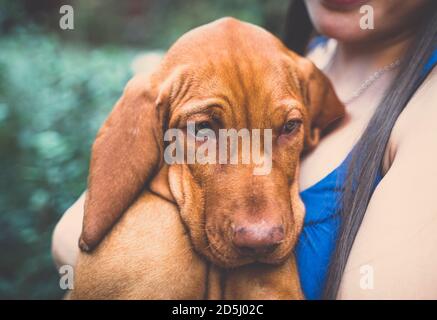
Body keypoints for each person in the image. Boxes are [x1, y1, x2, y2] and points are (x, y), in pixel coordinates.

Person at [52, 0, 437, 299]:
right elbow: (75, 233)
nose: (261, 230)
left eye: (287, 128)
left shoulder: (425, 110)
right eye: (205, 129)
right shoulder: (280, 61)